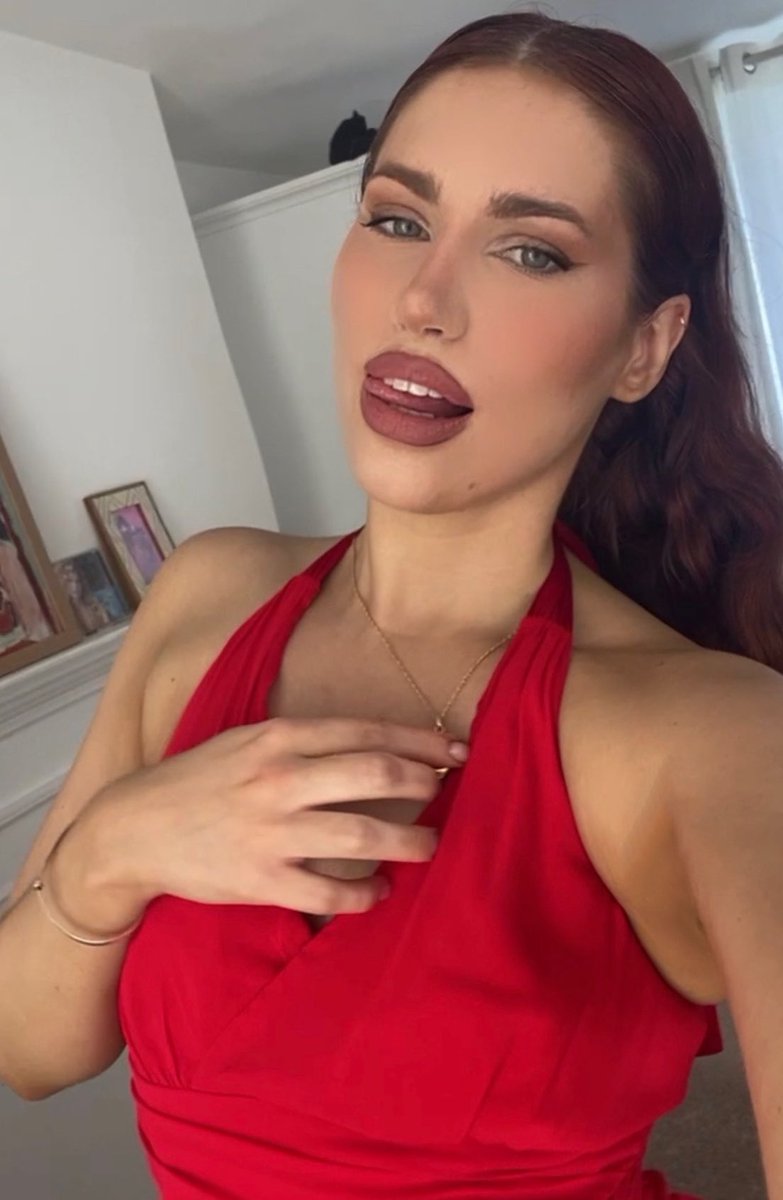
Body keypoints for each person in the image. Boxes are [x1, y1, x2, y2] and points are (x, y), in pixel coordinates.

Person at [0, 11, 781, 1199]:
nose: (423, 299)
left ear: (645, 346)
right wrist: (114, 848)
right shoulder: (208, 593)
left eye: (530, 252)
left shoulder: (710, 733)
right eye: (400, 220)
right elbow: (29, 1054)